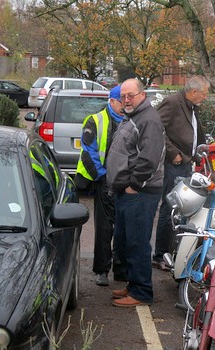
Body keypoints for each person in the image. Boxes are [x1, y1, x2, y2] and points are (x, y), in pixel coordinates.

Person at [106, 78, 165, 307]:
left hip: (141, 193)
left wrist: (134, 185)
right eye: (123, 96)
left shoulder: (148, 120)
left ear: (142, 95)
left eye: (130, 95)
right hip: (128, 191)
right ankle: (133, 285)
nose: (126, 99)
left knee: (137, 242)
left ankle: (141, 293)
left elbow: (149, 159)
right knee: (126, 241)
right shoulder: (134, 117)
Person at [152, 75, 209, 271]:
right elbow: (156, 128)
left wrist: (201, 148)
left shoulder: (191, 106)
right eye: (204, 94)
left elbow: (193, 131)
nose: (205, 97)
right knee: (171, 208)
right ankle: (159, 255)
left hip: (185, 162)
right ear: (193, 92)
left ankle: (175, 253)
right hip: (173, 163)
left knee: (183, 209)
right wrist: (173, 152)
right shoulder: (173, 102)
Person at [75, 85, 126, 286]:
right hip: (104, 181)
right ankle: (101, 270)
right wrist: (102, 177)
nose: (125, 103)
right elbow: (88, 152)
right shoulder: (95, 120)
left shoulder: (131, 120)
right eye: (122, 100)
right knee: (104, 228)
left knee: (123, 227)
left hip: (124, 181)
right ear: (112, 101)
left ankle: (121, 270)